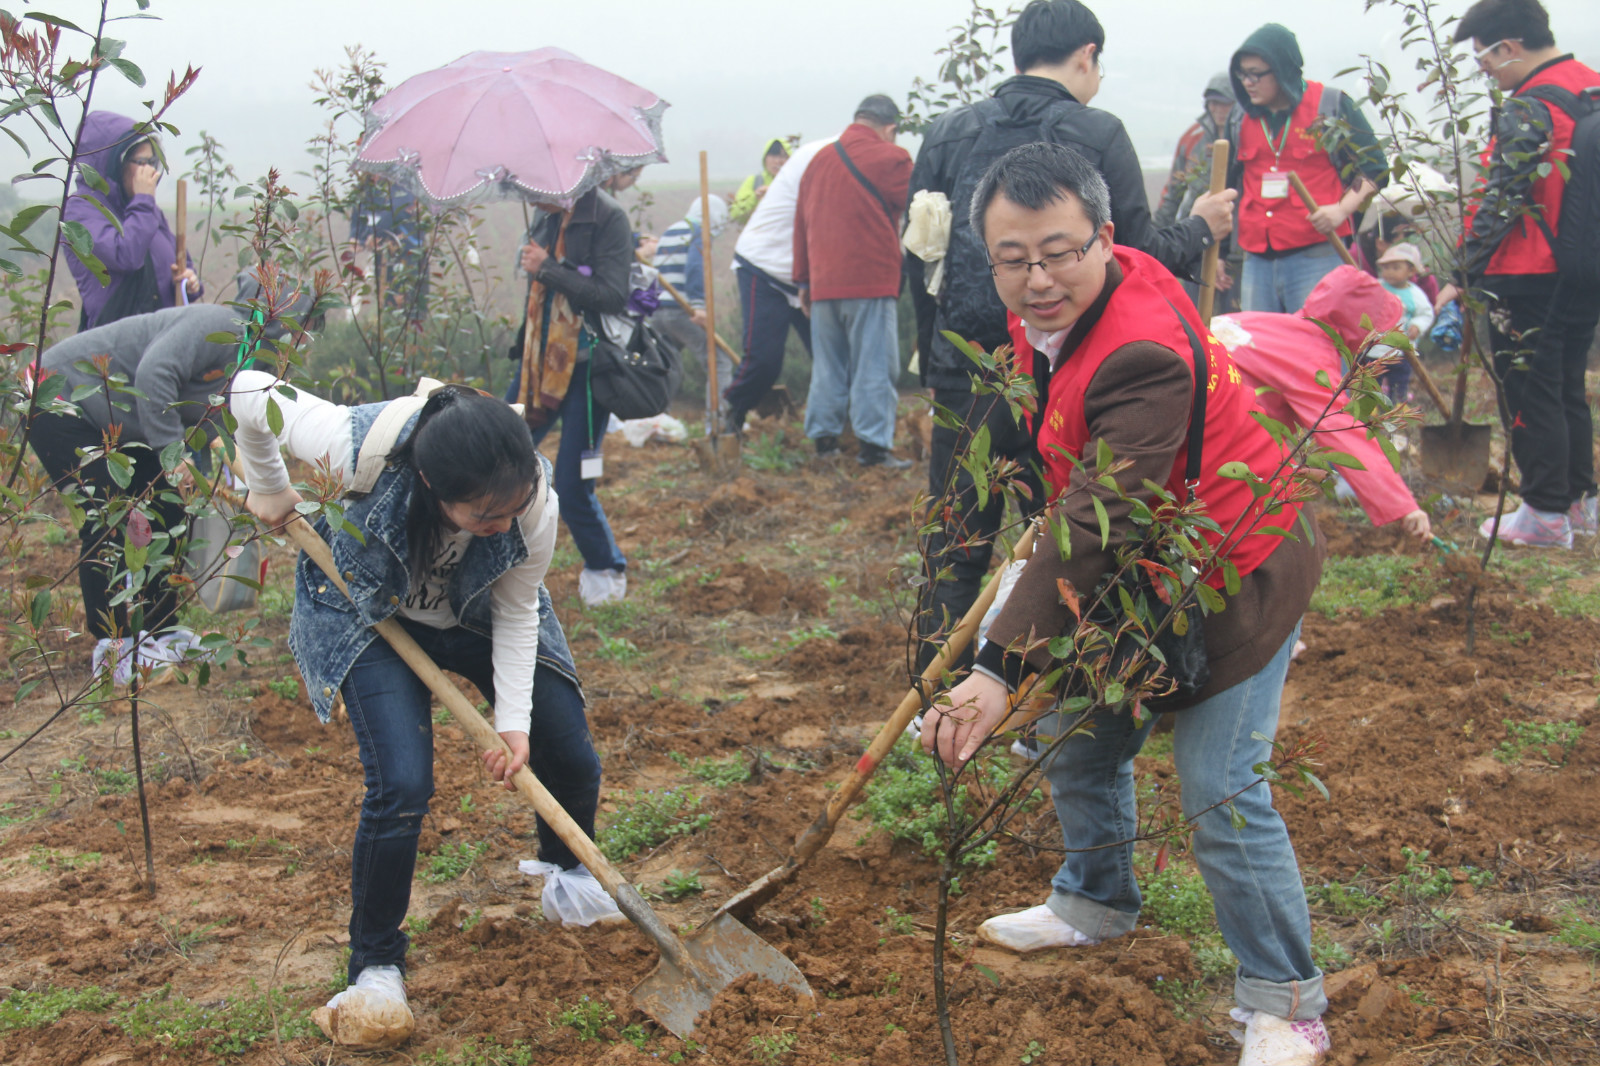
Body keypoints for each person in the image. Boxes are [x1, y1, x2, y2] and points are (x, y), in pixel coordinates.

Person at [919, 143, 1328, 1066]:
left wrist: (994, 668)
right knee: (1084, 729)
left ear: (1105, 236)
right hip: (1141, 565)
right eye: (1013, 258)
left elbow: (1095, 526)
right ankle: (1094, 901)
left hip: (1233, 570)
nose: (1038, 278)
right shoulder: (1054, 312)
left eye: (1059, 251)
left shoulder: (1142, 351)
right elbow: (1067, 472)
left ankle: (1286, 1001)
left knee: (1221, 788)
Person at [233, 376, 608, 1048]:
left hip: (479, 610)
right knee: (402, 784)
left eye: (510, 512)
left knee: (570, 752)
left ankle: (571, 880)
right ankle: (375, 964)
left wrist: (514, 724)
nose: (501, 526)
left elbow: (520, 611)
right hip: (370, 611)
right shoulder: (354, 446)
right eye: (483, 518)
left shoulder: (533, 503)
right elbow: (247, 388)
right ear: (433, 485)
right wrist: (267, 481)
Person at [905, 0, 1236, 672]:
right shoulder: (1096, 131)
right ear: (1087, 55)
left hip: (963, 367)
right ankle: (1048, 674)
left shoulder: (945, 134)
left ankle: (936, 680)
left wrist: (932, 358)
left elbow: (920, 255)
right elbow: (1133, 252)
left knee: (958, 527)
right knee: (1068, 525)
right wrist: (1201, 228)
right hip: (1062, 371)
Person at [1437, 0, 1600, 548]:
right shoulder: (1591, 87)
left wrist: (1463, 270)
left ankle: (1545, 512)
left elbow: (1504, 195)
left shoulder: (1530, 105)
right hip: (1582, 267)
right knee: (1566, 385)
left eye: (1484, 60)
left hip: (1528, 269)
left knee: (1528, 389)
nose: (1485, 71)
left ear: (1508, 46)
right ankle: (1580, 503)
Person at [29, 304, 264, 682]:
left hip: (119, 416)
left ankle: (159, 629)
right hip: (57, 395)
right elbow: (154, 373)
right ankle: (113, 645)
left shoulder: (257, 366)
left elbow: (232, 426)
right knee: (104, 516)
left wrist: (266, 491)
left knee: (168, 506)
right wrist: (173, 454)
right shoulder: (221, 326)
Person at [1212, 265, 1432, 540]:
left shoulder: (1269, 323)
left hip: (1182, 403)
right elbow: (1343, 432)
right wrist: (1403, 506)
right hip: (1206, 429)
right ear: (1358, 329)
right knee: (1273, 526)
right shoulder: (1309, 358)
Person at [506, 169, 636, 606]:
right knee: (500, 453)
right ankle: (491, 565)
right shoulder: (545, 219)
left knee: (575, 478)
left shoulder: (608, 218)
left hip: (588, 368)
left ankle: (606, 568)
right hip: (537, 366)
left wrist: (549, 269)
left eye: (533, 187)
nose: (528, 194)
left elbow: (613, 295)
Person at [1228, 24, 1388, 314]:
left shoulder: (1331, 106)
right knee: (1260, 350)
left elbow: (1375, 169)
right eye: (1242, 74)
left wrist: (1341, 210)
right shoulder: (1240, 117)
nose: (1247, 83)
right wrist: (1216, 255)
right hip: (1256, 259)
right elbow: (1226, 187)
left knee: (1318, 348)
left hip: (1317, 254)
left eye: (1256, 74)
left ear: (1282, 70)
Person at [793, 95, 914, 467]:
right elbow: (920, 208)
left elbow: (801, 223)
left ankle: (824, 444)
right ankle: (874, 448)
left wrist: (803, 281)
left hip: (824, 284)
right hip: (870, 280)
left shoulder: (818, 162)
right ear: (890, 128)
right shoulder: (893, 159)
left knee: (828, 366)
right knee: (874, 365)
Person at [724, 140, 830, 433]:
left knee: (828, 353)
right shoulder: (820, 159)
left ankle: (833, 429)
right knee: (764, 360)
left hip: (803, 274)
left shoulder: (838, 155)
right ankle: (731, 414)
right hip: (765, 266)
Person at [64, 111, 200, 331]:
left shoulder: (142, 208)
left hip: (160, 335)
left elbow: (176, 258)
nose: (150, 172)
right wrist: (143, 201)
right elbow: (126, 256)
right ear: (115, 164)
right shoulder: (81, 211)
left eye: (152, 162)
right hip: (121, 344)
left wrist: (189, 282)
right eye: (141, 162)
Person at [652, 194, 733, 402]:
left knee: (665, 365)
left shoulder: (671, 230)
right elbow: (696, 267)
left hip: (659, 310)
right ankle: (719, 421)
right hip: (682, 310)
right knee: (719, 362)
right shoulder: (698, 232)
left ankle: (657, 419)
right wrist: (698, 305)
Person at [350, 175, 429, 326]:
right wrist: (355, 236)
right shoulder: (366, 191)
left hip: (409, 253)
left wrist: (374, 234)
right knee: (389, 303)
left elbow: (394, 211)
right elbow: (358, 214)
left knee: (413, 306)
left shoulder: (404, 185)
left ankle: (414, 338)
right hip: (385, 255)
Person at [1372, 243, 1434, 401]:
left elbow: (1426, 313)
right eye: (1386, 268)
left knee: (1399, 380)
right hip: (1374, 349)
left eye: (1395, 268)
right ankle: (1371, 408)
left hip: (1401, 351)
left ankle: (1398, 405)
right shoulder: (1376, 288)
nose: (1389, 272)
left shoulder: (1415, 294)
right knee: (1371, 381)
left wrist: (1417, 326)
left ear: (1411, 271)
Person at [730, 137, 791, 225]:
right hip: (759, 235)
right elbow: (735, 214)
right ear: (765, 158)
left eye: (783, 157)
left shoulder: (795, 183)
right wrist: (755, 197)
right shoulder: (754, 181)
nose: (777, 161)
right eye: (773, 156)